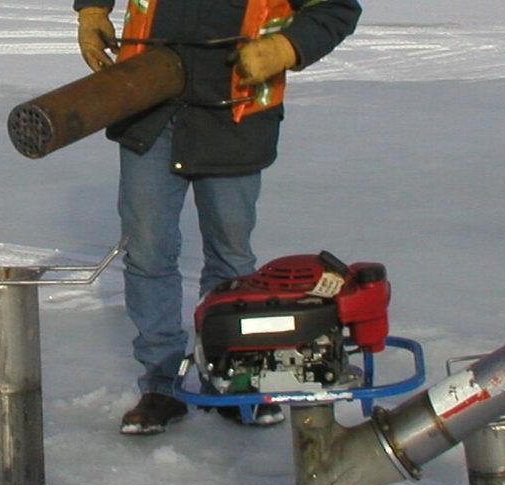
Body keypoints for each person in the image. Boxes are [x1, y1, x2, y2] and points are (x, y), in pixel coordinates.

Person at [73, 0, 362, 435]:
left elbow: (337, 7)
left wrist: (286, 46)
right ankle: (160, 386)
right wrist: (92, 10)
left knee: (231, 258)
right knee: (148, 252)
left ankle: (230, 377)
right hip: (151, 107)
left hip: (235, 111)